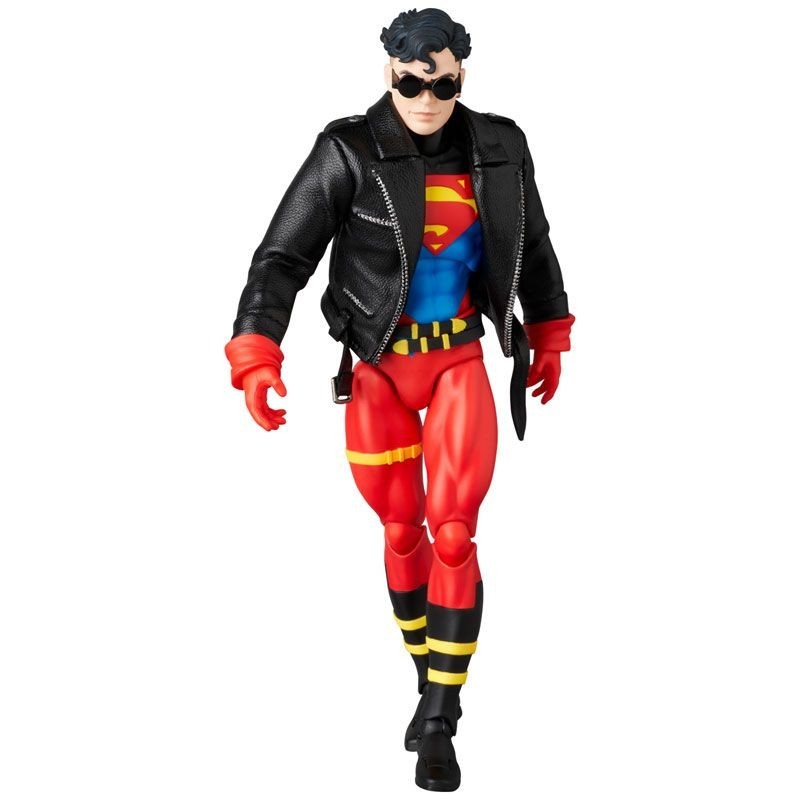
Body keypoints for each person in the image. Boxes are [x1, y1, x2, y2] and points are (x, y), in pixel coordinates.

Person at [224, 8, 575, 792]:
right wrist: (256, 347)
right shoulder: (348, 150)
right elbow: (283, 255)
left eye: (442, 84)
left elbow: (535, 243)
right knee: (401, 531)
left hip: (457, 362)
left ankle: (442, 716)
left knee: (453, 533)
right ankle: (427, 674)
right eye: (411, 82)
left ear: (462, 79)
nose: (425, 99)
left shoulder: (500, 146)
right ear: (389, 73)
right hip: (380, 369)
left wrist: (550, 327)